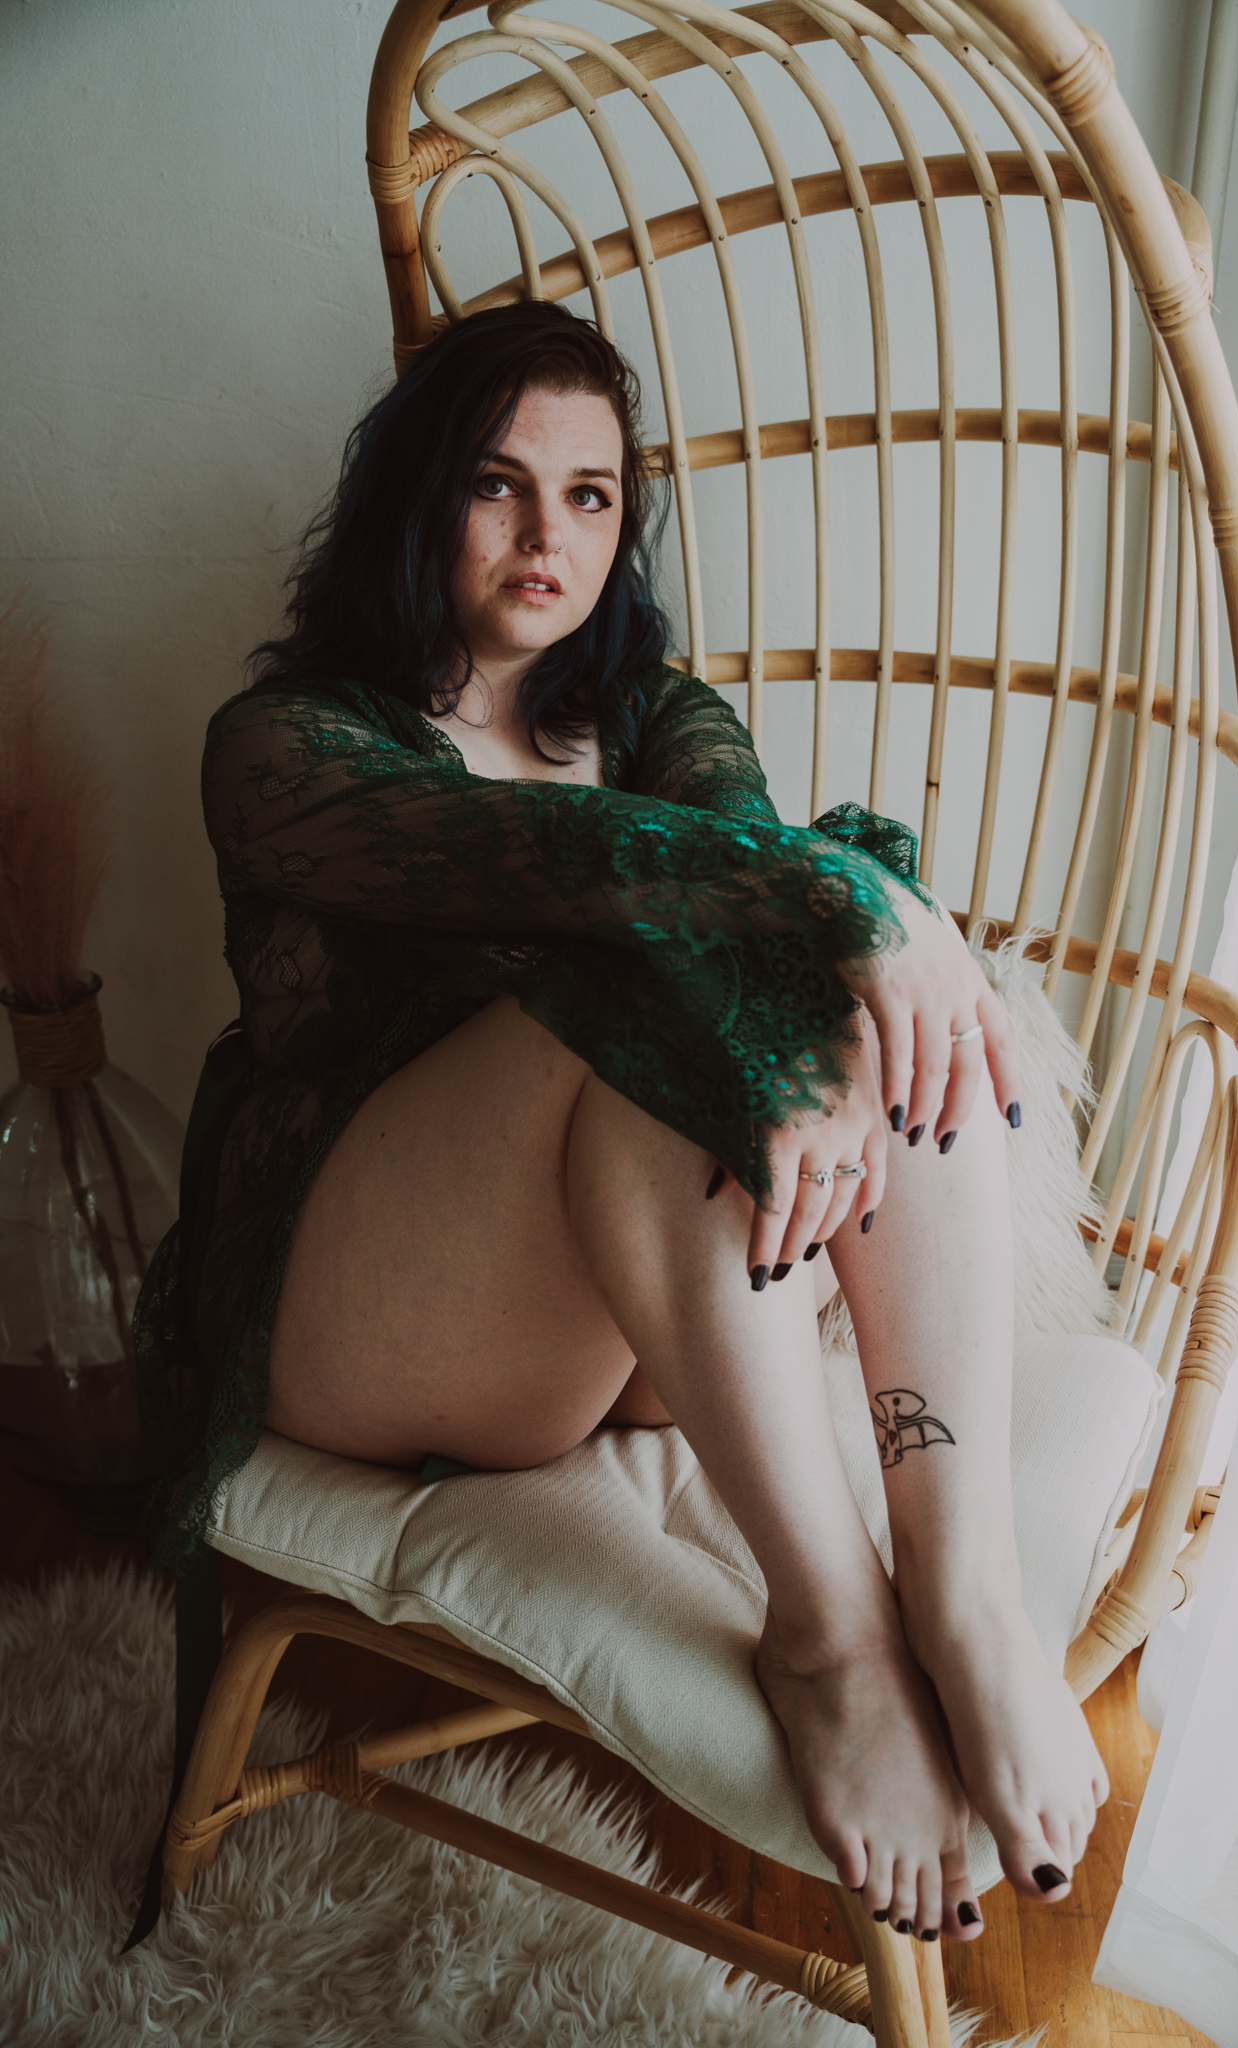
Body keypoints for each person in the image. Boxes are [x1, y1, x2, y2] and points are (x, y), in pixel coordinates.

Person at [135, 298, 1107, 1949]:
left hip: (641, 1310)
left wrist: (853, 944)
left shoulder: (656, 717)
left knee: (839, 989)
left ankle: (958, 1593)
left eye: (590, 497)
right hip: (360, 1306)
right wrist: (848, 902)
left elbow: (746, 876)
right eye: (499, 485)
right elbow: (578, 871)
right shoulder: (287, 748)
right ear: (416, 499)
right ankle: (827, 1635)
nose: (546, 535)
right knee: (654, 983)